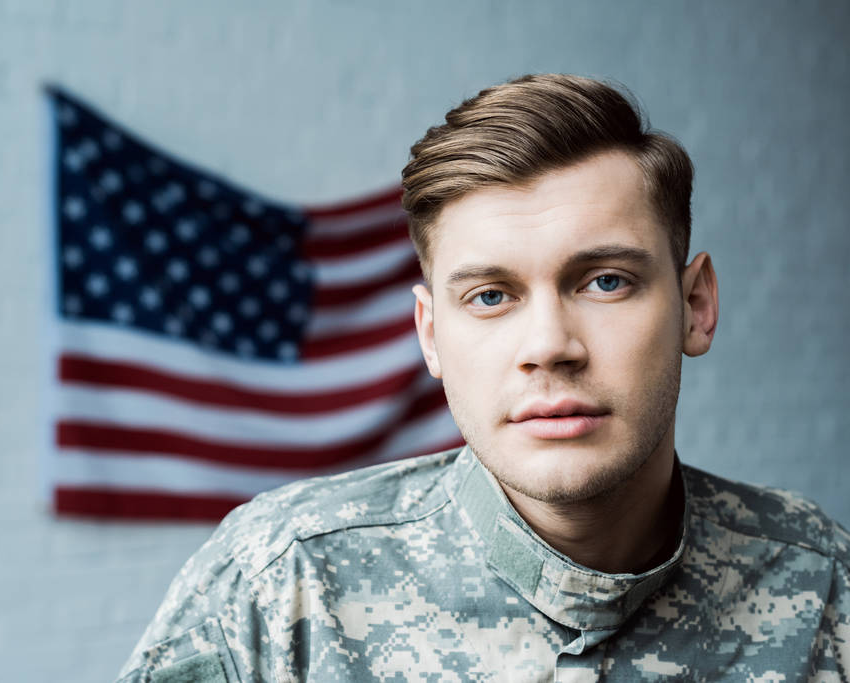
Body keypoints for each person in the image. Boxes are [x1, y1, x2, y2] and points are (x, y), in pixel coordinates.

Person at [115, 74, 850, 681]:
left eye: (603, 281)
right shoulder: (279, 583)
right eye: (490, 296)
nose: (548, 346)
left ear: (694, 306)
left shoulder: (821, 589)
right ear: (430, 334)